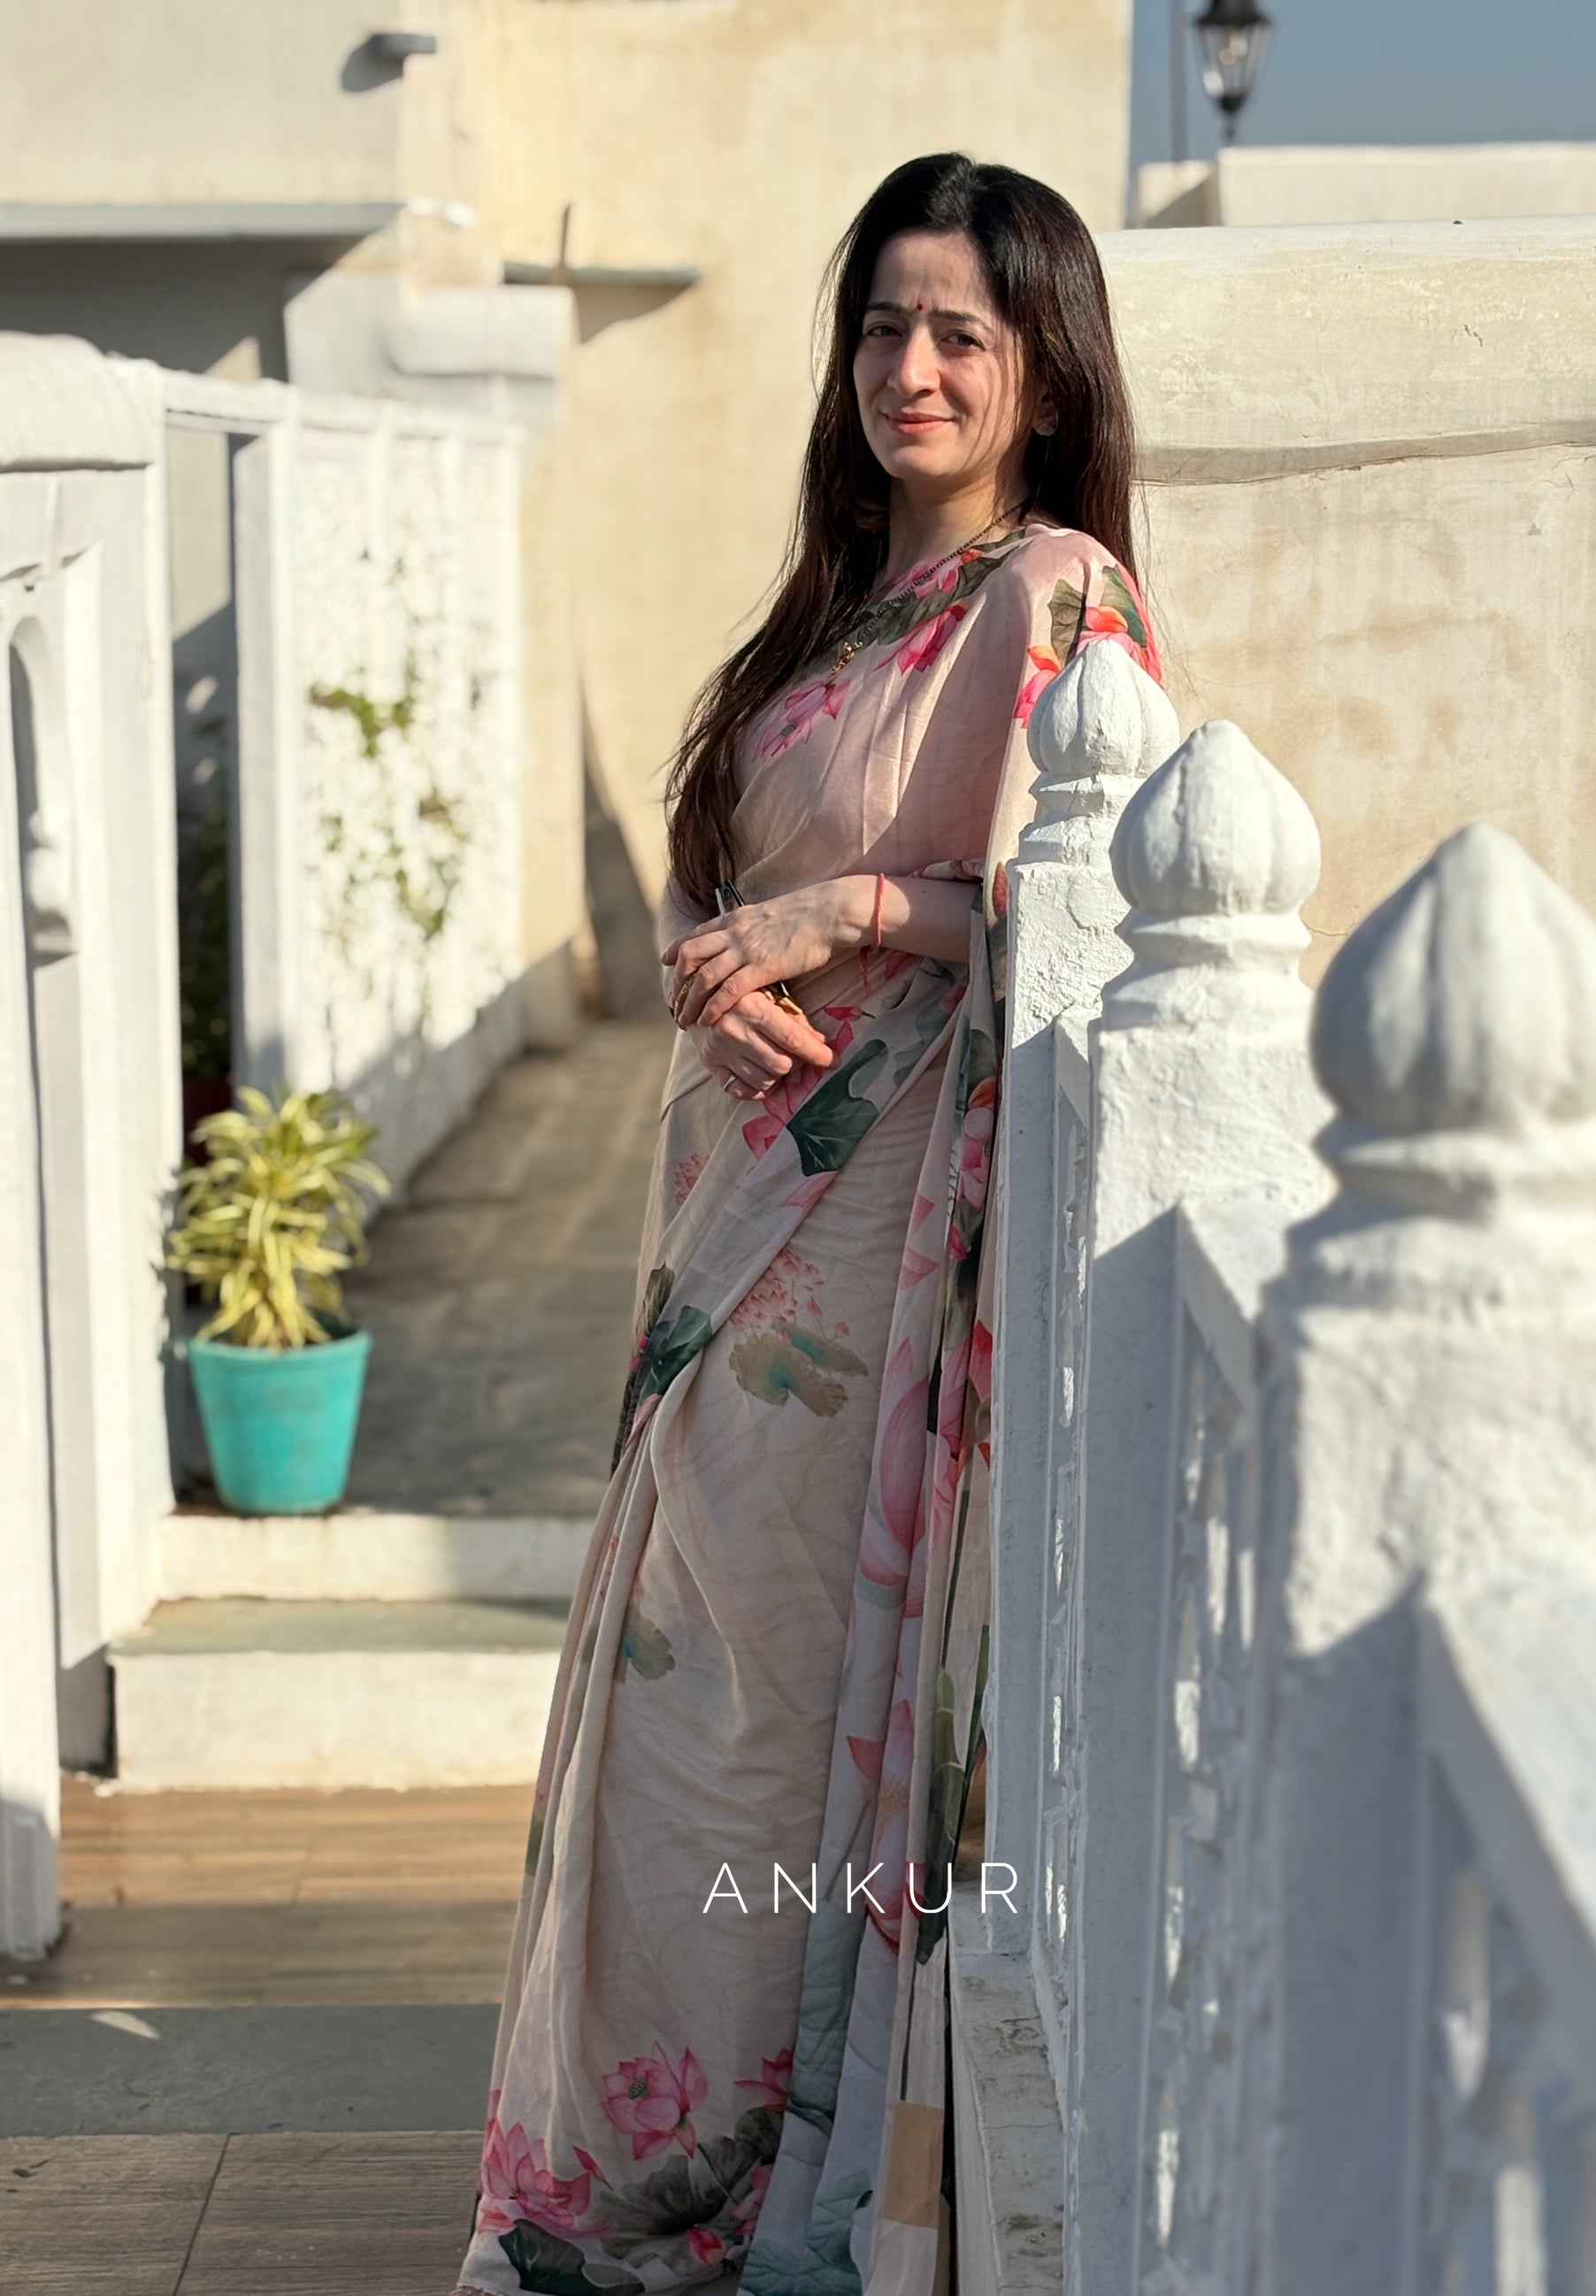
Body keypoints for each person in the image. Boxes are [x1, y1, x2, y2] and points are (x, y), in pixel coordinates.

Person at [455, 150, 1160, 2296]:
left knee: (765, 1715)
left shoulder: (1056, 596)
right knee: (677, 1704)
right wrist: (721, 951)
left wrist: (845, 911)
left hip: (872, 1263)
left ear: (1045, 371)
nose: (909, 368)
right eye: (880, 325)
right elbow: (724, 852)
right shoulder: (843, 599)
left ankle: (750, 2173)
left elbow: (1080, 894)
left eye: (959, 332)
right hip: (733, 1225)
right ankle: (621, 2167)